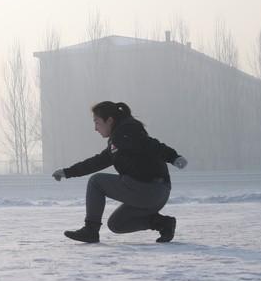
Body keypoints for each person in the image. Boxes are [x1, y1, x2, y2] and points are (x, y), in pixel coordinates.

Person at [52, 101, 187, 243]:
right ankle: (163, 223)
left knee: (96, 182)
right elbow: (98, 162)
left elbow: (151, 145)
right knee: (117, 224)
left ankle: (90, 230)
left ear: (109, 120)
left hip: (149, 189)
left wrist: (174, 157)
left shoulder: (126, 132)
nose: (95, 128)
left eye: (97, 122)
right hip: (156, 194)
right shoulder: (119, 138)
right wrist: (67, 172)